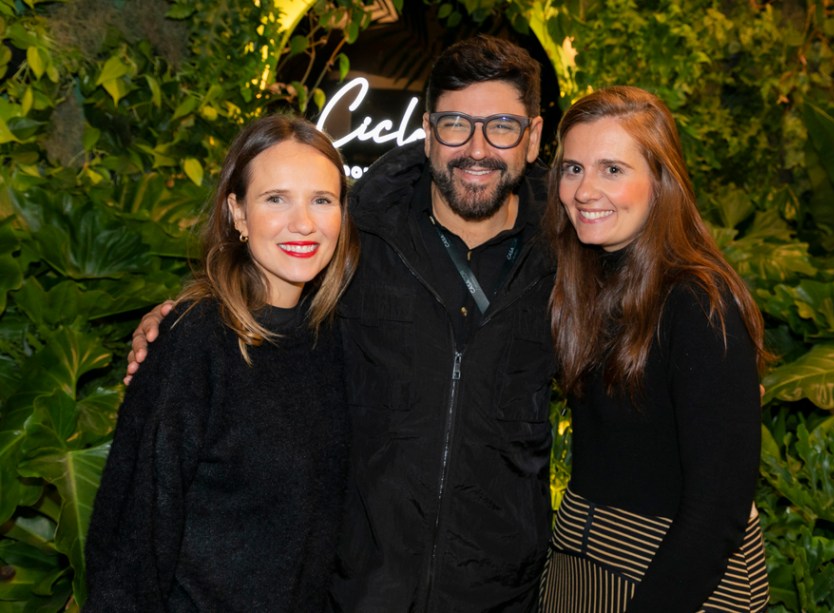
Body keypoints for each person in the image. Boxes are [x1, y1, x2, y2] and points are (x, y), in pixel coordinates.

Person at [124, 35, 557, 611]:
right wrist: (184, 318)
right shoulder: (359, 232)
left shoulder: (571, 255)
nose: (476, 148)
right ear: (428, 131)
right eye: (455, 124)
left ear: (532, 136)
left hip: (502, 595)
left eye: (502, 125)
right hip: (354, 590)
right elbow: (272, 297)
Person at [85, 115, 360, 611]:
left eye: (322, 200)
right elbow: (132, 535)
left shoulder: (335, 339)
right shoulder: (195, 340)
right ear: (237, 212)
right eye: (275, 198)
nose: (303, 222)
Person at [540, 86, 770, 612]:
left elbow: (717, 510)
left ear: (661, 182)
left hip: (675, 580)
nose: (584, 190)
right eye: (572, 169)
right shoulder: (586, 281)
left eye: (612, 170)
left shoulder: (697, 302)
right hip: (584, 564)